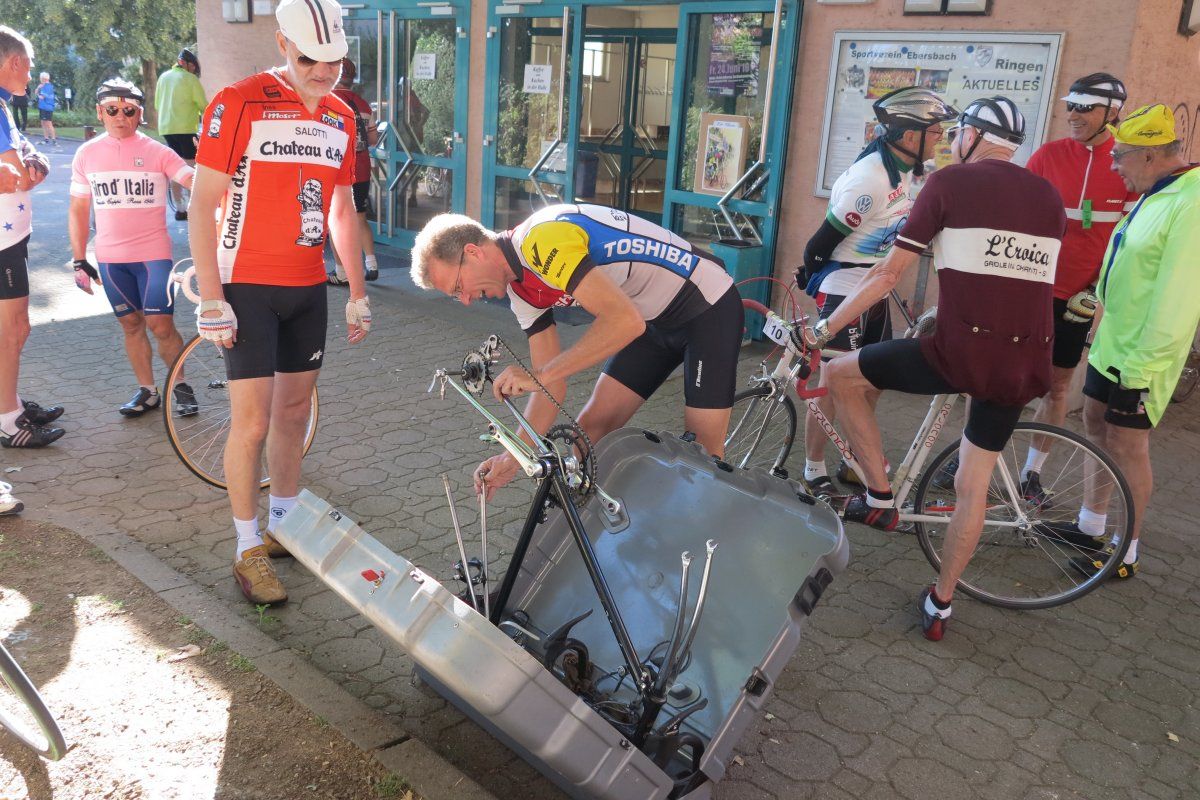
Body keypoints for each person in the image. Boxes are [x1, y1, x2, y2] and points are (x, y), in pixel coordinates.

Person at [803, 97, 1066, 641]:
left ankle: (878, 497)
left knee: (841, 375)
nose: (950, 142)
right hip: (1024, 359)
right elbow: (1009, 280)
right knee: (973, 484)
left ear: (972, 135)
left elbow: (884, 276)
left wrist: (823, 331)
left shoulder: (949, 184)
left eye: (957, 132)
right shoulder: (1048, 197)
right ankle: (941, 603)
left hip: (960, 353)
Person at [190, 0, 370, 605]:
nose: (324, 73)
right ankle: (245, 545)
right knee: (253, 422)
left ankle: (285, 525)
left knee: (295, 413)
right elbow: (201, 203)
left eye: (335, 63)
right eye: (309, 60)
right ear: (281, 44)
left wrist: (358, 294)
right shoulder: (239, 101)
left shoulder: (342, 116)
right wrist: (212, 296)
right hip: (245, 286)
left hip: (306, 287)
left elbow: (342, 211)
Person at [410, 203, 742, 499]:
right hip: (648, 317)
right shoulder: (522, 294)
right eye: (456, 296)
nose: (465, 300)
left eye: (458, 287)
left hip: (705, 307)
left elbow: (621, 323)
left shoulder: (542, 240)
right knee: (588, 434)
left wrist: (539, 375)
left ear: (473, 252)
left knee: (702, 458)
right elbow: (550, 386)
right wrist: (515, 457)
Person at [1055, 104, 1200, 581]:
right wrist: (1096, 303)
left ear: (1153, 155)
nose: (1114, 166)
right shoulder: (1156, 192)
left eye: (1121, 156)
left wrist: (1144, 366)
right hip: (1112, 345)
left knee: (1129, 444)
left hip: (1143, 357)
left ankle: (1125, 550)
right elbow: (1130, 265)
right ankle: (1090, 524)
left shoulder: (1191, 200)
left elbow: (1179, 297)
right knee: (1097, 427)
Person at [795, 86, 958, 499]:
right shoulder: (869, 179)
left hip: (875, 287)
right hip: (845, 286)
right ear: (909, 136)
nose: (940, 137)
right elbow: (818, 245)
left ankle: (855, 460)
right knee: (833, 383)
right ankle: (813, 468)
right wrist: (814, 281)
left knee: (871, 379)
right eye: (935, 131)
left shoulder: (904, 168)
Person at [1015, 73, 1139, 504]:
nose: (1073, 114)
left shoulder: (1125, 163)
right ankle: (974, 450)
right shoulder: (1048, 155)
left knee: (1057, 387)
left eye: (1084, 107)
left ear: (1113, 112)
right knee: (999, 375)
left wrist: (1099, 296)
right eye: (1071, 105)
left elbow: (1126, 244)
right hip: (1029, 289)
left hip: (1078, 297)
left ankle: (1032, 473)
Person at [68, 79, 197, 416]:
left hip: (153, 255)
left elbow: (191, 179)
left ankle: (180, 385)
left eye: (129, 111)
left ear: (140, 113)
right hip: (111, 259)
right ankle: (147, 391)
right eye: (112, 110)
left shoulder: (157, 151)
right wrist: (79, 259)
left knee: (161, 325)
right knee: (131, 325)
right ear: (100, 112)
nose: (120, 116)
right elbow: (79, 210)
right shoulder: (86, 154)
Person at [0, 26, 64, 450]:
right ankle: (7, 419)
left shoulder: (5, 108)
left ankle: (10, 402)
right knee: (13, 328)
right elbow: (22, 174)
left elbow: (30, 162)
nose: (31, 72)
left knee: (14, 328)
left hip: (13, 235)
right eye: (29, 64)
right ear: (14, 62)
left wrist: (29, 168)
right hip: (4, 241)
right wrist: (28, 170)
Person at [328, 57, 379, 284]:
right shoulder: (364, 104)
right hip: (361, 168)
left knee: (335, 220)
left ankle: (341, 272)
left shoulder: (325, 101)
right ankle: (371, 263)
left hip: (335, 170)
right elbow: (373, 139)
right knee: (359, 216)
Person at [154, 48, 207, 221]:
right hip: (185, 128)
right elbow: (204, 105)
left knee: (174, 167)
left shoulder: (163, 77)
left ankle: (180, 208)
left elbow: (157, 104)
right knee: (190, 167)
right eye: (193, 68)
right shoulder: (190, 79)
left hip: (167, 129)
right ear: (188, 65)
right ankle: (195, 206)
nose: (193, 71)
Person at [35, 71, 56, 147]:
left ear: (43, 78)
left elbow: (41, 97)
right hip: (43, 107)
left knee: (48, 123)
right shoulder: (43, 86)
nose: (40, 79)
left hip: (47, 107)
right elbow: (36, 91)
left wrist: (38, 94)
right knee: (43, 123)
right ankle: (46, 139)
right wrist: (38, 88)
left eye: (41, 78)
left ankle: (53, 140)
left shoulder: (47, 86)